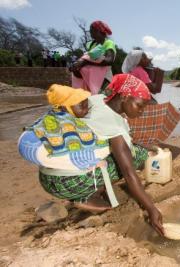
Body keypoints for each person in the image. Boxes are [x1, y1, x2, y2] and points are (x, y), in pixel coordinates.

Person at [18, 74, 165, 236]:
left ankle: (91, 188)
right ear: (125, 96)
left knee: (124, 151)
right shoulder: (113, 126)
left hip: (48, 176)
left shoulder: (96, 100)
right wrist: (151, 209)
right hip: (69, 184)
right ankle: (86, 196)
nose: (142, 111)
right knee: (137, 156)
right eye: (140, 106)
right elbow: (129, 173)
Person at [71, 20, 116, 95]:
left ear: (100, 31)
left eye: (93, 30)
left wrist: (85, 61)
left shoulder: (108, 43)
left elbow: (109, 60)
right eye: (90, 30)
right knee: (92, 102)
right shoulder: (92, 45)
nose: (90, 32)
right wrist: (77, 65)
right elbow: (88, 57)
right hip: (90, 79)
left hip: (104, 79)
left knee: (103, 101)